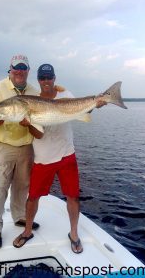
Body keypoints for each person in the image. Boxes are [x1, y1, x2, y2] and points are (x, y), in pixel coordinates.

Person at [13, 64, 106, 253]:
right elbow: (38, 135)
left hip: (66, 154)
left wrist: (96, 104)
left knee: (73, 196)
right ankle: (27, 231)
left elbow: (82, 110)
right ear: (38, 80)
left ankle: (74, 234)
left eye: (49, 78)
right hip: (43, 157)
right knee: (33, 197)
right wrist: (27, 123)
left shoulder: (66, 95)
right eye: (42, 78)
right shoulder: (33, 101)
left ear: (54, 78)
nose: (46, 82)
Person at [0, 55, 43, 249]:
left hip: (26, 147)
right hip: (3, 146)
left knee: (21, 186)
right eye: (16, 68)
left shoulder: (34, 91)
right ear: (9, 69)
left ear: (28, 71)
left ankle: (19, 217)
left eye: (23, 68)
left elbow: (40, 118)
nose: (19, 71)